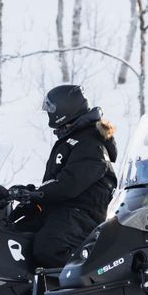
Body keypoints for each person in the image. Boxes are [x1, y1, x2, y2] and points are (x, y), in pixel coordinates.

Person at [15, 84, 118, 268]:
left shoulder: (90, 143)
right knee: (11, 236)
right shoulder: (72, 139)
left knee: (48, 247)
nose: (49, 114)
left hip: (81, 215)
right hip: (61, 211)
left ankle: (80, 286)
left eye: (52, 109)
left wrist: (39, 194)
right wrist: (29, 193)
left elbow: (69, 184)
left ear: (65, 108)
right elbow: (54, 182)